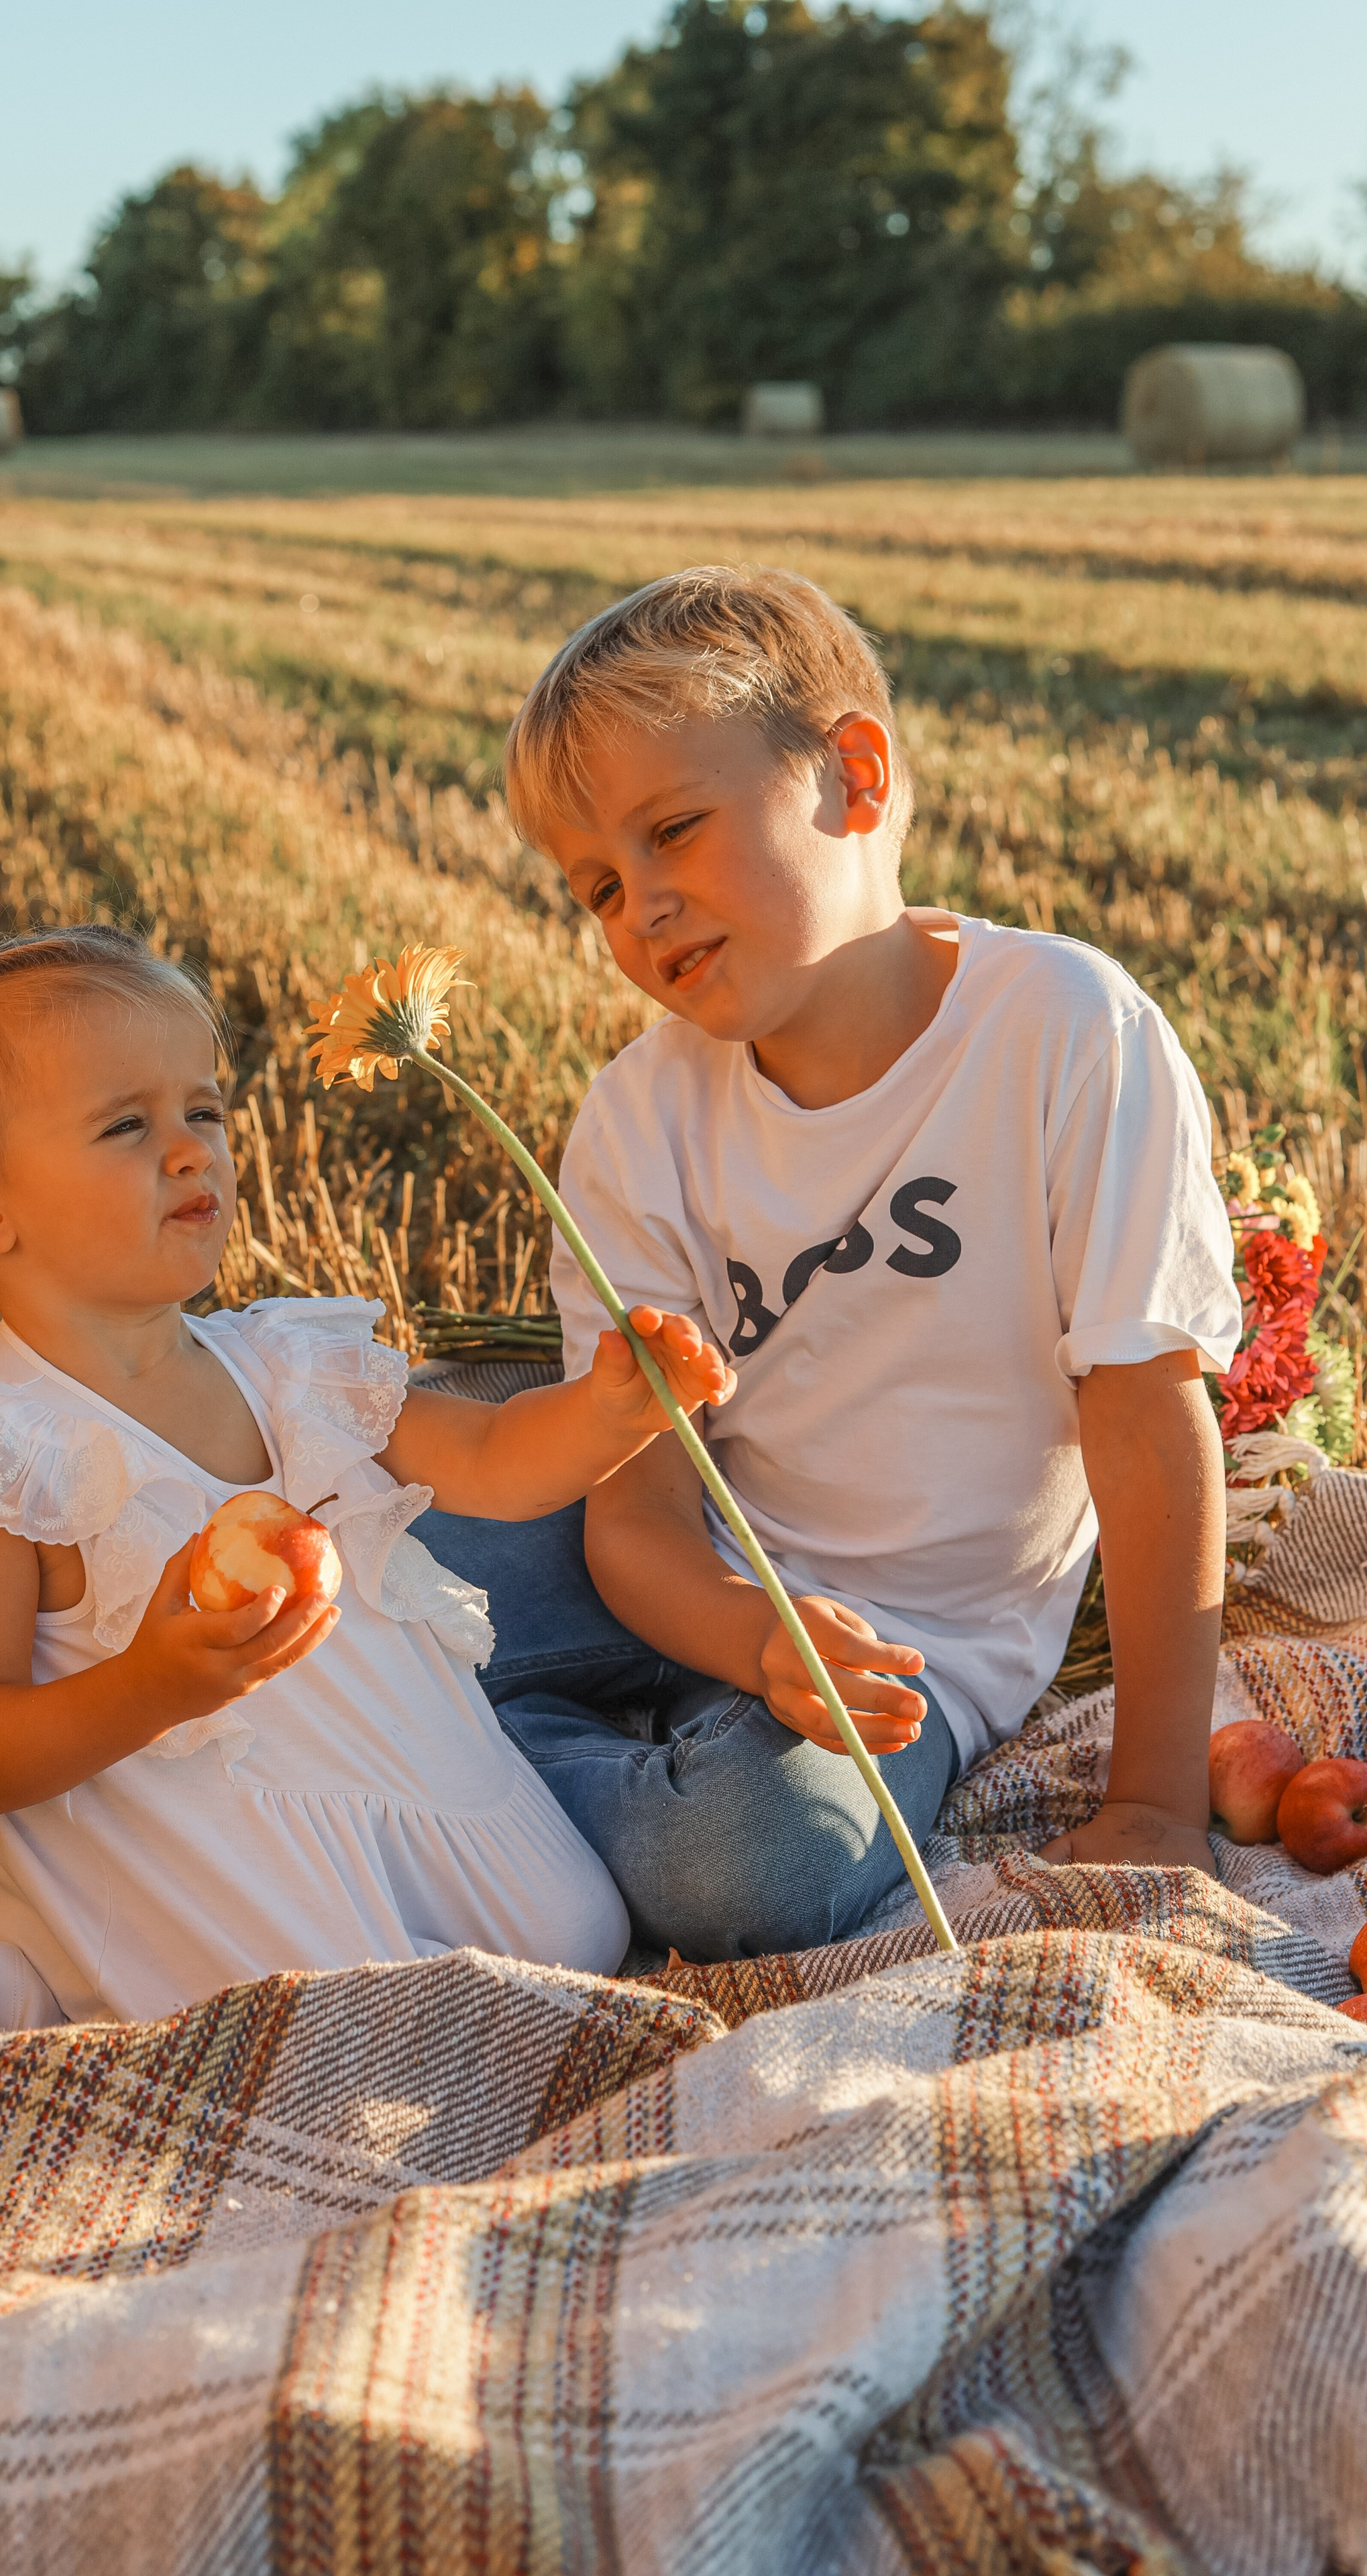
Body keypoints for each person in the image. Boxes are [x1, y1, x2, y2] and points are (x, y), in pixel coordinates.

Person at [420, 562, 1240, 1957]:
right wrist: (748, 1635)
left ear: (854, 775)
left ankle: (462, 1765)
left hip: (901, 1654)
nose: (640, 908)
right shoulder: (637, 1117)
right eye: (599, 887)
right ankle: (467, 1732)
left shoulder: (1064, 1032)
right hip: (681, 1586)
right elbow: (635, 1520)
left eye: (673, 832)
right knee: (328, 1541)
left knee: (751, 1869)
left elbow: (1148, 1417)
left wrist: (1156, 1802)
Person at [0, 924, 729, 2025]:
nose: (193, 1151)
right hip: (187, 1857)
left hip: (393, 1774)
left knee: (577, 1929)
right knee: (326, 2023)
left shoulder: (284, 1365)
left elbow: (493, 1462)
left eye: (204, 1111)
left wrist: (611, 1411)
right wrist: (149, 1687)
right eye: (127, 1125)